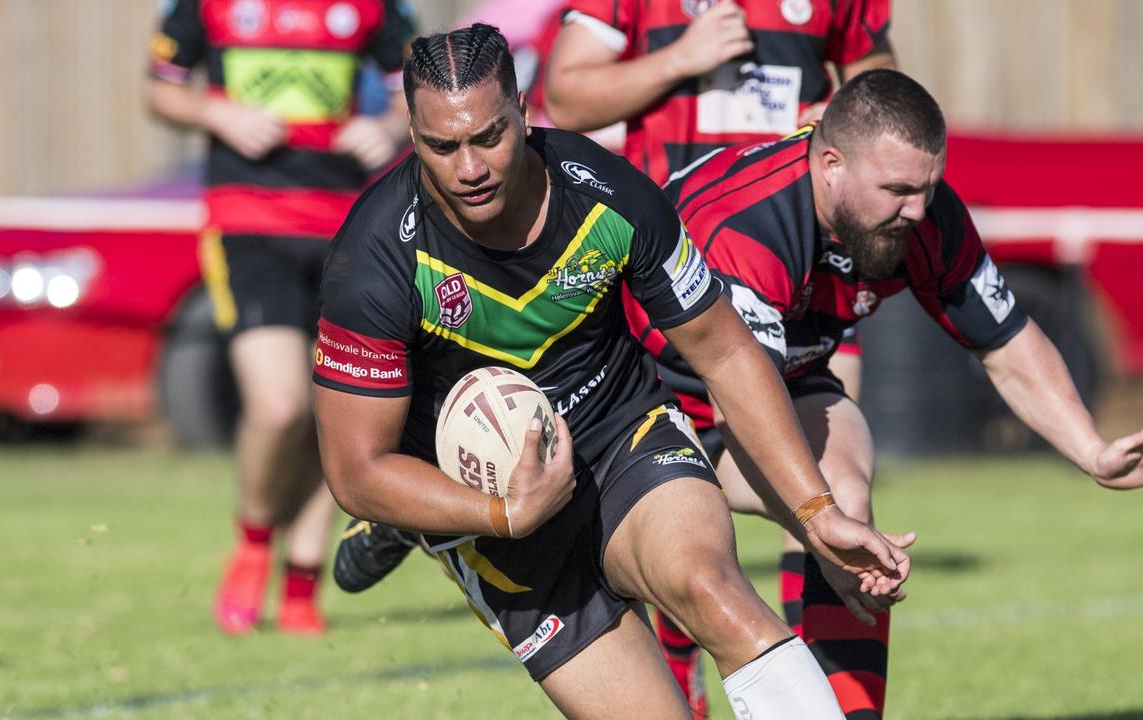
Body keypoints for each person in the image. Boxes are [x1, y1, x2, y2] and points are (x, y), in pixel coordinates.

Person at [314, 24, 913, 718]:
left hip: (621, 437)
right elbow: (356, 470)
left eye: (489, 137)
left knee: (711, 588)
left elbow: (724, 351)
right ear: (413, 135)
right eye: (441, 146)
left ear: (524, 112)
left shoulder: (607, 193)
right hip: (493, 525)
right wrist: (502, 513)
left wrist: (815, 511)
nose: (469, 167)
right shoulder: (376, 260)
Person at [628, 68, 1143, 718]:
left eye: (927, 188)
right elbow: (741, 401)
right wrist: (819, 523)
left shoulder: (922, 218)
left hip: (775, 379)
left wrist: (1092, 451)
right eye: (897, 189)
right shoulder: (749, 228)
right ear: (831, 163)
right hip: (645, 400)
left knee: (849, 505)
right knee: (701, 571)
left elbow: (1006, 340)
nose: (918, 211)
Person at [542, 2, 894, 712]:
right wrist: (679, 58)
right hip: (668, 270)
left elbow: (877, 76)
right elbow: (565, 95)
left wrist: (846, 114)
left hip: (808, 263)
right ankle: (687, 687)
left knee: (835, 485)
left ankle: (841, 704)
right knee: (676, 484)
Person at [145, 0, 416, 636]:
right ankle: (254, 538)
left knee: (346, 410)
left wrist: (391, 125)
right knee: (279, 408)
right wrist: (215, 110)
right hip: (248, 224)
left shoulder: (374, 7)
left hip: (349, 229)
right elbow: (160, 91)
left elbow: (418, 89)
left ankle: (302, 577)